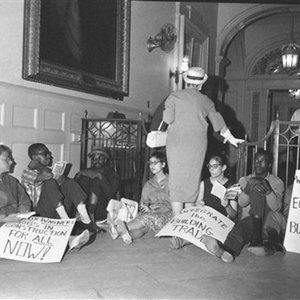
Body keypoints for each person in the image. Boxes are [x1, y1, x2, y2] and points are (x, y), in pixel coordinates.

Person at [161, 67, 244, 217]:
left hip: (176, 145)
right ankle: (185, 225)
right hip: (196, 146)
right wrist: (231, 138)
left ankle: (177, 224)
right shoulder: (206, 101)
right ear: (201, 85)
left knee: (176, 181)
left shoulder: (173, 97)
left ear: (186, 81)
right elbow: (219, 123)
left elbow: (167, 120)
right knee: (192, 182)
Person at [200, 149, 285, 263]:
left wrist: (268, 190)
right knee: (240, 231)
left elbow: (276, 208)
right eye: (256, 160)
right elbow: (242, 203)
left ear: (269, 164)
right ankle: (225, 252)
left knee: (259, 190)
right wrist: (248, 188)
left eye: (262, 161)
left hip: (269, 222)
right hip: (251, 222)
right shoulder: (245, 180)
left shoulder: (276, 182)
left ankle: (268, 244)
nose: (258, 163)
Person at [21, 143, 101, 237]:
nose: (49, 156)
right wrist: (38, 165)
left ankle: (86, 220)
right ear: (34, 157)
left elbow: (59, 184)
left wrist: (62, 180)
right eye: (45, 153)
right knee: (50, 182)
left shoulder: (48, 170)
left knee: (69, 182)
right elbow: (47, 176)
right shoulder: (27, 173)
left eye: (49, 153)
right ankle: (66, 223)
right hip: (40, 213)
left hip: (56, 209)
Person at [108, 151, 172, 244]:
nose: (152, 166)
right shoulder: (149, 184)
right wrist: (145, 207)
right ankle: (125, 235)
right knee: (144, 228)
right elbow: (143, 203)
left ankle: (118, 229)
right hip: (152, 215)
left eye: (155, 163)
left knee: (147, 218)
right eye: (150, 163)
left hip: (168, 215)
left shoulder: (171, 182)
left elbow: (174, 204)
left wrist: (152, 210)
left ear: (163, 164)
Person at [75, 147, 119, 221]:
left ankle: (91, 214)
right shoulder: (87, 171)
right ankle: (81, 212)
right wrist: (78, 176)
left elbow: (111, 193)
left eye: (100, 158)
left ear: (105, 160)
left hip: (102, 207)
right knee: (83, 178)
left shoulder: (112, 174)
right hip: (84, 206)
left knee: (96, 181)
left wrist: (100, 177)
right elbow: (75, 188)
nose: (97, 161)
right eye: (94, 159)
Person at [196, 153, 238, 220]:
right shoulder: (204, 183)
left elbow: (234, 215)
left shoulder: (232, 186)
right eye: (210, 166)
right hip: (205, 220)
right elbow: (198, 202)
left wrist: (227, 206)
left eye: (215, 166)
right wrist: (199, 204)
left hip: (221, 222)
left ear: (223, 168)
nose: (211, 169)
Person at [0, 144, 31, 220]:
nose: (11, 162)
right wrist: (4, 219)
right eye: (7, 159)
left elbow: (25, 201)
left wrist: (21, 214)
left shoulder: (12, 181)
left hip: (16, 223)